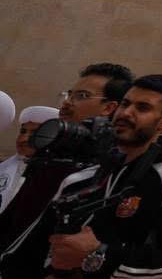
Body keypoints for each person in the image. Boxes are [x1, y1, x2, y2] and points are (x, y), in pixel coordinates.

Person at [2, 74, 162, 279]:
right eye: (125, 104)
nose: (126, 113)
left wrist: (99, 255)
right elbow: (32, 246)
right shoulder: (84, 177)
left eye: (142, 108)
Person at [0, 62, 134, 256]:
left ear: (109, 107)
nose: (67, 102)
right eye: (70, 94)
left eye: (82, 96)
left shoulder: (109, 168)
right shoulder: (53, 153)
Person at [0, 106, 57, 213]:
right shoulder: (3, 168)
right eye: (23, 131)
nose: (23, 139)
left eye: (35, 133)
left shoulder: (56, 176)